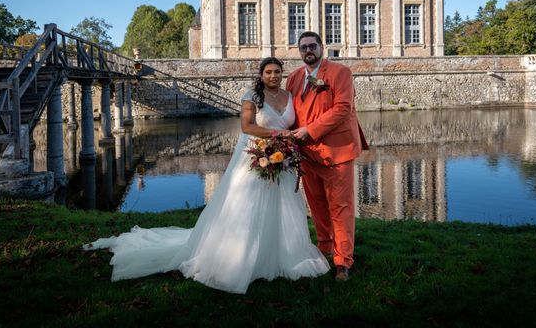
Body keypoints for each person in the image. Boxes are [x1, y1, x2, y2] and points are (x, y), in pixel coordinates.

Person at [83, 57, 329, 294]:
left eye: (277, 72)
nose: (273, 76)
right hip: (254, 157)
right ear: (261, 75)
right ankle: (241, 256)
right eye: (269, 72)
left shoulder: (289, 97)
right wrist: (280, 135)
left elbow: (296, 124)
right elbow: (248, 127)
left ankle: (282, 254)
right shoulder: (251, 96)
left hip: (281, 159)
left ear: (282, 74)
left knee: (283, 205)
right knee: (249, 206)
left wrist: (288, 143)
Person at [286, 32, 368, 282]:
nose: (308, 51)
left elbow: (343, 108)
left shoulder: (340, 72)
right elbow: (289, 112)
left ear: (322, 47)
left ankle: (343, 261)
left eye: (312, 46)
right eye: (303, 48)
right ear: (299, 51)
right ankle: (324, 248)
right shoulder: (293, 78)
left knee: (341, 208)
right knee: (318, 207)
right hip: (307, 154)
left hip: (336, 151)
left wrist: (310, 130)